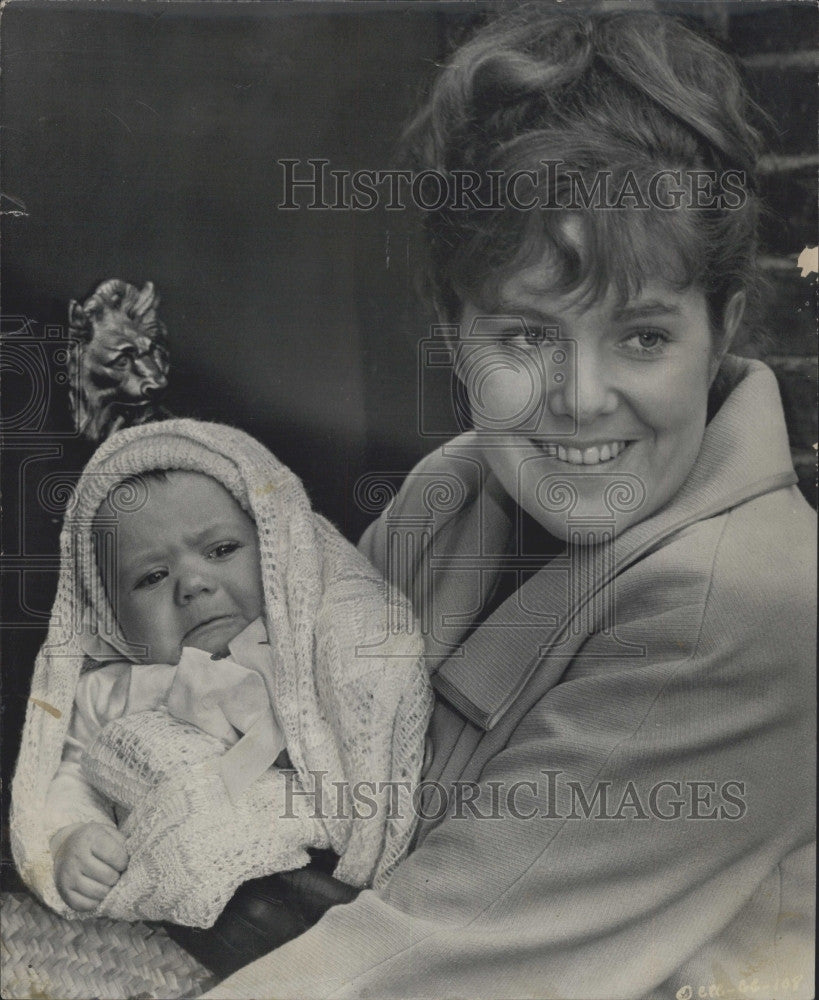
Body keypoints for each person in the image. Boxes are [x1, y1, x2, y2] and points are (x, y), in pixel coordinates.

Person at [200, 7, 816, 999]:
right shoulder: (448, 497)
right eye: (526, 336)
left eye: (644, 337)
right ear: (454, 336)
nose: (579, 398)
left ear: (721, 332)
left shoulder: (755, 605)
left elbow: (417, 965)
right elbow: (287, 737)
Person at [11, 419, 432, 932]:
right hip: (170, 872)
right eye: (151, 577)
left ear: (278, 551)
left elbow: (359, 748)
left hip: (306, 859)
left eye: (221, 550)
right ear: (109, 616)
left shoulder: (307, 658)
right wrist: (72, 836)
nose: (192, 584)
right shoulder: (108, 691)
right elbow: (70, 775)